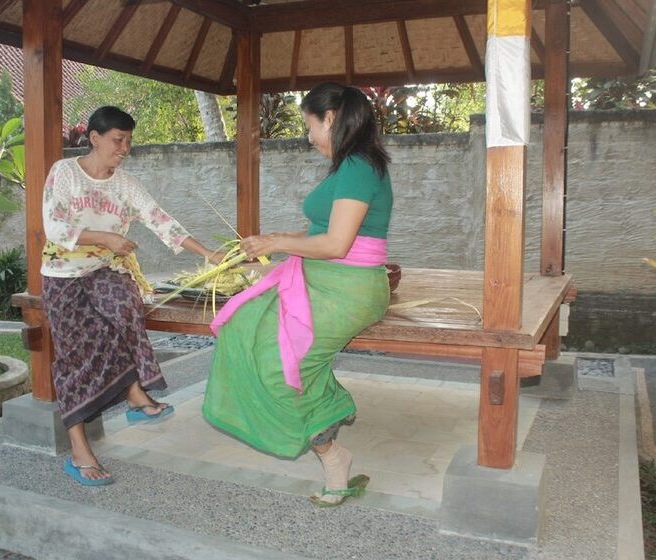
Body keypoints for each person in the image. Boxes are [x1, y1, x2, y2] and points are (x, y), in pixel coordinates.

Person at [203, 82, 393, 506]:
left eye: (310, 126)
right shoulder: (349, 167)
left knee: (277, 368)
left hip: (346, 289)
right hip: (321, 279)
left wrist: (277, 243)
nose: (308, 137)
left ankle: (332, 445)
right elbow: (322, 233)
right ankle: (333, 451)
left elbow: (336, 244)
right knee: (244, 329)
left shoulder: (358, 167)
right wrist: (276, 242)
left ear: (331, 118)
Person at [41, 106, 220, 486]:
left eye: (128, 141)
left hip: (106, 269)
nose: (125, 148)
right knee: (76, 354)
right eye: (118, 140)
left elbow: (161, 220)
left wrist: (208, 253)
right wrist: (106, 237)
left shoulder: (125, 184)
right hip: (62, 274)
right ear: (94, 138)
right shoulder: (65, 172)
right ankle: (79, 449)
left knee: (126, 307)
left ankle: (136, 393)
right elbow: (55, 228)